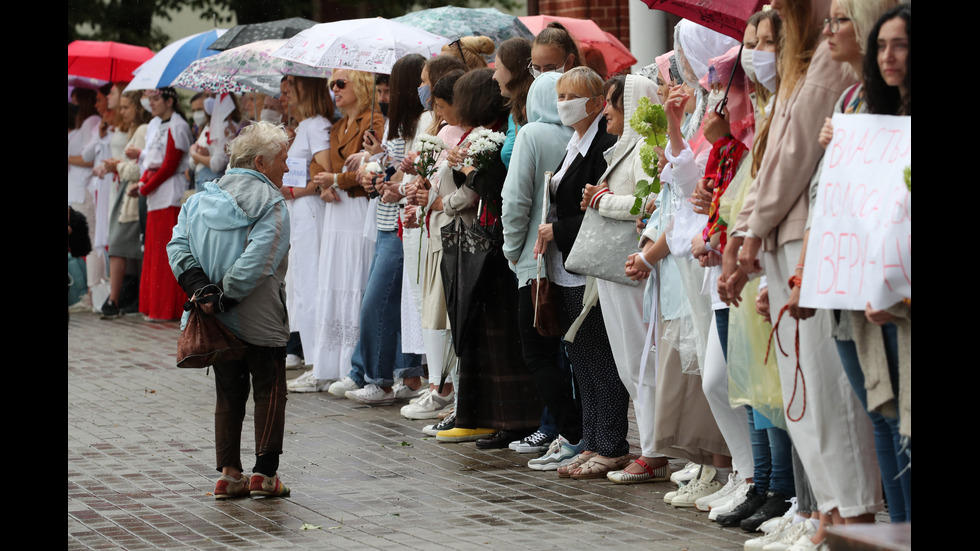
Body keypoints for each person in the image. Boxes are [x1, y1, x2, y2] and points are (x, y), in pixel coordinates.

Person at [724, 0, 882, 545]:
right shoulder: (800, 64)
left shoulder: (828, 58)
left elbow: (792, 159)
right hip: (783, 234)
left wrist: (750, 229)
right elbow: (771, 160)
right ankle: (835, 510)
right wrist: (747, 228)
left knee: (826, 387)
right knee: (804, 387)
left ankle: (851, 513)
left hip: (808, 235)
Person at [167, 121, 293, 499]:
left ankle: (230, 475)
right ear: (260, 162)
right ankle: (265, 476)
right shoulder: (272, 202)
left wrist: (203, 292)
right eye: (282, 160)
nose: (286, 167)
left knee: (228, 392)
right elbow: (262, 258)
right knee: (270, 389)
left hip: (214, 317)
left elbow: (176, 247)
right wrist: (225, 294)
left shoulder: (199, 199)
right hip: (259, 314)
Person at [530, 67, 627, 475]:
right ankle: (591, 438)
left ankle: (611, 442)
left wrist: (558, 228)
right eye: (559, 94)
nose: (563, 102)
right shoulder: (574, 143)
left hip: (586, 265)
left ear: (594, 101)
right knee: (581, 359)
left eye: (571, 95)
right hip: (564, 265)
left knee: (599, 357)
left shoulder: (602, 145)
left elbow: (595, 211)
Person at [280, 76, 333, 391]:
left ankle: (317, 362)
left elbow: (324, 169)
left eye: (292, 90)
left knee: (311, 282)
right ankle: (311, 356)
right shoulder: (304, 126)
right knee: (300, 282)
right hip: (299, 209)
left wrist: (300, 190)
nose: (286, 95)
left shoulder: (316, 125)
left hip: (310, 208)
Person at [130, 87, 191, 321]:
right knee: (154, 250)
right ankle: (154, 305)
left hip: (169, 193)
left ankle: (168, 308)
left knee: (168, 251)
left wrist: (145, 187)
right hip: (155, 190)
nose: (151, 103)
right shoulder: (156, 124)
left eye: (156, 99)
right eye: (151, 99)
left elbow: (169, 164)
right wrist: (142, 182)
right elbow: (152, 162)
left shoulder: (178, 125)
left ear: (169, 101)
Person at [101, 88, 151, 317]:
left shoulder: (142, 129)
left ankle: (114, 299)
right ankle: (122, 298)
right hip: (125, 191)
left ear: (137, 108)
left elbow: (138, 168)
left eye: (126, 107)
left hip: (131, 194)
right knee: (125, 247)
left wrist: (118, 166)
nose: (122, 112)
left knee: (120, 245)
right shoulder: (136, 129)